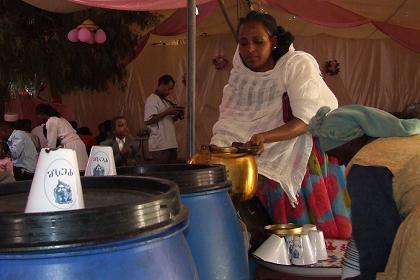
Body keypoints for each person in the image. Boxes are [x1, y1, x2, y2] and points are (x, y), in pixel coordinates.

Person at [210, 11, 351, 238]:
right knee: (268, 235)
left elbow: (307, 119)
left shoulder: (296, 64)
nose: (250, 50)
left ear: (273, 41)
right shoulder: (240, 78)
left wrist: (265, 137)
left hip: (301, 160)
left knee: (308, 236)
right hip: (255, 165)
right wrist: (218, 152)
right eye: (243, 43)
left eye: (258, 42)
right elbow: (228, 122)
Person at [308, 105, 420, 280]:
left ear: (351, 142)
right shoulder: (409, 142)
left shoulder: (367, 164)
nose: (338, 164)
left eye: (336, 155)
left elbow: (376, 246)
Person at [35, 104, 88, 172]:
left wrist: (44, 154)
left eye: (37, 114)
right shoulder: (61, 118)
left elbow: (51, 145)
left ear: (42, 113)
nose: (37, 117)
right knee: (81, 170)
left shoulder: (51, 121)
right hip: (79, 143)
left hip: (71, 145)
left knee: (73, 171)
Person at [144, 74, 183, 164]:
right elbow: (148, 121)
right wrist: (167, 112)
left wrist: (176, 115)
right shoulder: (152, 99)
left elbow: (165, 122)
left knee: (172, 173)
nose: (170, 91)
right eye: (169, 88)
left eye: (172, 89)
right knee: (162, 172)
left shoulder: (166, 100)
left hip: (171, 143)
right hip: (160, 146)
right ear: (162, 84)